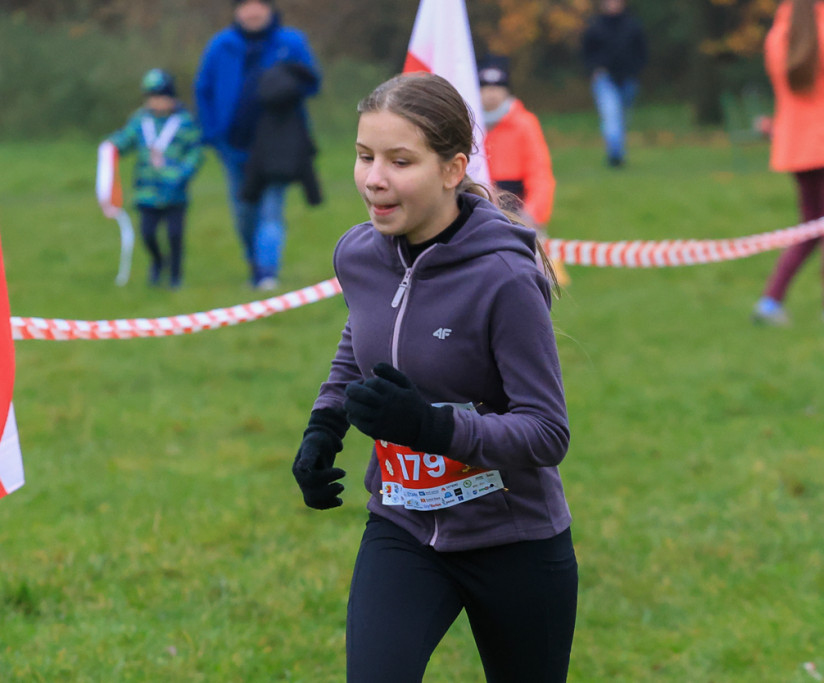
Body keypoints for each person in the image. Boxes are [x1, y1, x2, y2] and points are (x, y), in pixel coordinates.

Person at [291, 73, 577, 682]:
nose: (374, 178)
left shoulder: (503, 276)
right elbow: (360, 336)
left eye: (400, 161)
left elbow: (547, 432)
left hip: (515, 540)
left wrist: (434, 426)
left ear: (453, 169)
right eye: (365, 157)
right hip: (403, 525)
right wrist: (324, 427)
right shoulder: (357, 254)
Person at [194, 0, 320, 290]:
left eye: (259, 5)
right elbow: (204, 89)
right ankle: (254, 262)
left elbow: (312, 83)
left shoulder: (291, 42)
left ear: (270, 9)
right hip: (234, 146)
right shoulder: (220, 45)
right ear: (236, 11)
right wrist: (212, 133)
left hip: (279, 145)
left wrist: (287, 84)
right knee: (243, 211)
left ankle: (267, 273)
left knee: (271, 209)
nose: (253, 12)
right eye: (246, 6)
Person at [752, 0, 824, 325]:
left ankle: (770, 302)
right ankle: (770, 301)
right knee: (813, 227)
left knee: (810, 227)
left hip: (797, 148)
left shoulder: (778, 34)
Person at [105, 69, 203, 288]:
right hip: (146, 192)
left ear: (172, 97)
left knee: (175, 235)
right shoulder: (140, 121)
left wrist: (181, 173)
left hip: (174, 192)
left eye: (161, 97)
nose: (156, 103)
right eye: (152, 98)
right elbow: (124, 140)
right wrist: (110, 147)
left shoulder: (185, 123)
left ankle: (176, 276)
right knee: (148, 234)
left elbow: (195, 153)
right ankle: (158, 263)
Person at [478, 54, 569, 284]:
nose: (491, 93)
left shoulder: (525, 124)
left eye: (497, 86)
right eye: (485, 86)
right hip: (479, 206)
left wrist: (532, 216)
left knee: (537, 275)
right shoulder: (470, 123)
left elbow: (540, 173)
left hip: (519, 211)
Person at [582, 0, 647, 168]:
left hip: (627, 79)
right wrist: (594, 69)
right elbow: (586, 53)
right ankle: (615, 156)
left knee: (622, 118)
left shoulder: (632, 25)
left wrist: (635, 70)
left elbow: (642, 51)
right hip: (605, 78)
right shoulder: (595, 27)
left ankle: (618, 151)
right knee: (611, 115)